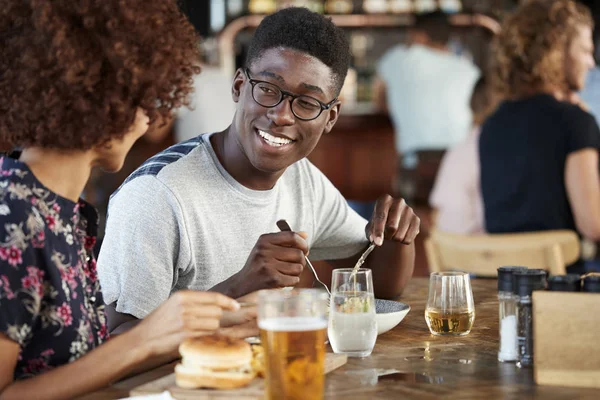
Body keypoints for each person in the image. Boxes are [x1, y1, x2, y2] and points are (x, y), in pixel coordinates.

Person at [98, 7, 421, 334]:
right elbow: (116, 341)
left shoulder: (303, 180)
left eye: (307, 103)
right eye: (268, 89)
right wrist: (238, 288)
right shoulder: (155, 194)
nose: (282, 115)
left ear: (331, 118)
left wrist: (398, 239)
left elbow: (376, 290)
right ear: (239, 86)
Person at [0, 1, 253, 398]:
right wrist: (142, 340)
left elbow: (76, 366)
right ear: (101, 100)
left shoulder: (60, 211)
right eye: (142, 99)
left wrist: (199, 327)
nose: (148, 120)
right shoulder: (12, 216)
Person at [480, 0, 600, 273]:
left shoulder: (492, 124)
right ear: (557, 52)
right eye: (585, 51)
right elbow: (593, 224)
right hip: (563, 294)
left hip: (504, 289)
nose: (591, 63)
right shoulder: (576, 122)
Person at [373, 11, 480, 202]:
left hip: (415, 168)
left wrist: (403, 108)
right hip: (461, 165)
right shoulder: (467, 69)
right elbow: (478, 113)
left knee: (410, 224)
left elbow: (378, 100)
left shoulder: (397, 58)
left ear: (419, 35)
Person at [429, 76, 497, 234]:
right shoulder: (492, 145)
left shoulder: (460, 147)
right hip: (480, 250)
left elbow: (438, 213)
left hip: (448, 250)